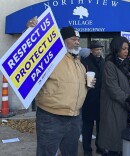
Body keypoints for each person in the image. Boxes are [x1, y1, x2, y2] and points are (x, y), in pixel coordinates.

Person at [26, 18, 94, 155]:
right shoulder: (50, 57)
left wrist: (87, 85)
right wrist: (30, 31)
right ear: (63, 40)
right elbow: (30, 53)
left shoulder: (79, 64)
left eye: (78, 39)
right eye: (73, 39)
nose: (77, 42)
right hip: (51, 118)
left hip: (74, 118)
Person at [98, 36, 130, 156]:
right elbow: (113, 90)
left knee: (126, 143)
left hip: (129, 109)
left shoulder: (128, 64)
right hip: (114, 109)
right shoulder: (109, 64)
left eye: (127, 49)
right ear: (116, 49)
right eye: (123, 48)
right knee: (114, 143)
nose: (126, 51)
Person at [80, 40, 105, 156]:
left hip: (101, 99)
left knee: (101, 127)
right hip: (89, 99)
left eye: (100, 49)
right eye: (97, 49)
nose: (99, 51)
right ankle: (87, 150)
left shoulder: (104, 62)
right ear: (91, 50)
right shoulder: (84, 62)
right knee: (87, 128)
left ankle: (100, 147)